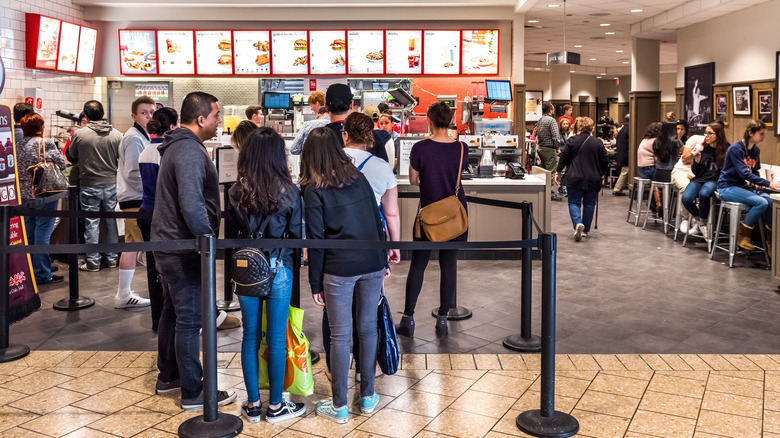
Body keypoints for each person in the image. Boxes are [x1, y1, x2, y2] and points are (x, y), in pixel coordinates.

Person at [152, 92, 237, 409]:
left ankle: (169, 377)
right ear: (201, 119)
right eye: (216, 115)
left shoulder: (180, 146)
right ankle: (193, 391)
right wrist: (207, 238)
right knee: (189, 320)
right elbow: (191, 203)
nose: (219, 121)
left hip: (169, 244)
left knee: (173, 312)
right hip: (183, 247)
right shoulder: (187, 151)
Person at [301, 127, 387, 424]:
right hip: (372, 262)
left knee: (340, 336)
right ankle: (367, 397)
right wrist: (383, 257)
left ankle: (338, 405)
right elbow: (377, 220)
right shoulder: (358, 177)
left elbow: (316, 240)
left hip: (338, 268)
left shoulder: (313, 189)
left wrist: (315, 282)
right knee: (368, 329)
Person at [228, 127, 305, 424]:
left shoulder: (235, 192)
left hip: (246, 271)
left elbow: (232, 237)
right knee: (275, 339)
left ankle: (253, 405)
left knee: (249, 337)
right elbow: (296, 237)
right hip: (279, 269)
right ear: (277, 156)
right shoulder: (289, 191)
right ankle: (276, 407)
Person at [397, 102, 468, 338]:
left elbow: (413, 180)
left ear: (428, 119)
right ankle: (443, 319)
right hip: (455, 214)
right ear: (449, 122)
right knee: (449, 265)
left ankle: (408, 318)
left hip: (427, 213)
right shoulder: (461, 148)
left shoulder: (420, 148)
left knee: (418, 264)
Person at [68, 100, 122, 272]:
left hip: (89, 184)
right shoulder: (116, 134)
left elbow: (72, 155)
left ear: (86, 115)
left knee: (92, 222)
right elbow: (121, 157)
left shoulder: (80, 134)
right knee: (111, 222)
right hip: (112, 183)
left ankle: (93, 261)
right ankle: (113, 259)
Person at [139, 107, 178, 332]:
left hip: (146, 211)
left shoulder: (146, 150)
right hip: (161, 215)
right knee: (169, 270)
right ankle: (169, 319)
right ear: (172, 126)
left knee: (153, 269)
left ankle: (158, 320)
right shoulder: (165, 152)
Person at [16, 113, 66, 285]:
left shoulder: (17, 145)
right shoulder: (46, 143)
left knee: (28, 233)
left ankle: (30, 269)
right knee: (43, 232)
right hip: (44, 193)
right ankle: (42, 274)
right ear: (41, 128)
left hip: (23, 194)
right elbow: (62, 164)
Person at [115, 96, 155, 309]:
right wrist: (152, 186)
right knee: (133, 245)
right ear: (133, 115)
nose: (149, 115)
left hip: (136, 197)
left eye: (151, 112)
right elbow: (133, 173)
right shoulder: (133, 138)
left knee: (134, 245)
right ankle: (123, 294)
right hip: (134, 198)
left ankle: (125, 293)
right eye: (143, 112)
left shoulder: (142, 135)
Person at [717, 120, 780, 251]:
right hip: (727, 187)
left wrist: (758, 184)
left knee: (769, 201)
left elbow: (754, 171)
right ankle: (742, 235)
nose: (764, 137)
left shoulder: (755, 150)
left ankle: (771, 242)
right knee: (761, 202)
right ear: (751, 133)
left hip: (743, 187)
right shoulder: (735, 149)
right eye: (761, 134)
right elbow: (744, 173)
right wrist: (769, 183)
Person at [555, 117, 607, 242]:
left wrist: (558, 171)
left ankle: (577, 223)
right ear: (592, 128)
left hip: (575, 177)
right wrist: (602, 173)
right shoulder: (598, 142)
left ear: (578, 127)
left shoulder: (572, 141)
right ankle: (585, 230)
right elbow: (605, 160)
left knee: (574, 202)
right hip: (593, 177)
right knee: (589, 204)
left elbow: (564, 157)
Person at [323, 84, 391, 163]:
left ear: (325, 106)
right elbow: (384, 167)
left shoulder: (317, 137)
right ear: (351, 104)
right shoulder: (370, 135)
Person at [682, 122, 729, 237]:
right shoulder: (703, 149)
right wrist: (696, 162)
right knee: (686, 198)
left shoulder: (727, 149)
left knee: (704, 193)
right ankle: (700, 221)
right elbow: (695, 172)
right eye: (705, 133)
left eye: (709, 133)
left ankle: (701, 223)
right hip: (699, 179)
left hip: (715, 180)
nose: (706, 136)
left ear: (718, 135)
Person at [670, 119, 695, 232]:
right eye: (677, 129)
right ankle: (686, 218)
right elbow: (685, 159)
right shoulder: (673, 140)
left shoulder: (688, 141)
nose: (679, 131)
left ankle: (696, 219)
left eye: (681, 129)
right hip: (673, 170)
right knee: (685, 188)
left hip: (691, 171)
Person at [536, 102, 564, 200]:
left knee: (544, 173)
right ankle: (550, 194)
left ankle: (545, 192)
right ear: (551, 110)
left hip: (541, 148)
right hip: (549, 149)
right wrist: (557, 147)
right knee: (551, 172)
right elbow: (556, 136)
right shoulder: (551, 120)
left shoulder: (540, 120)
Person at [612, 114, 630, 196]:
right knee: (625, 172)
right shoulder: (629, 129)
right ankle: (617, 189)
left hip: (621, 154)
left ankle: (618, 189)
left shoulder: (622, 130)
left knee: (624, 171)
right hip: (626, 154)